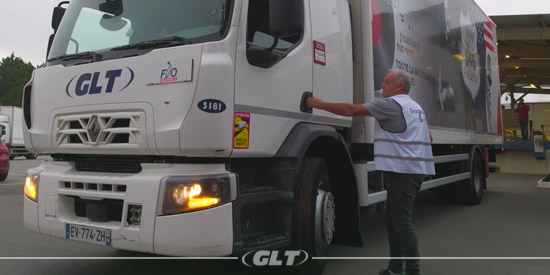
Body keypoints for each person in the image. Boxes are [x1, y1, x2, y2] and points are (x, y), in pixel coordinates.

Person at [307, 71, 435, 275]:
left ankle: (413, 271)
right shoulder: (415, 107)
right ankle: (395, 268)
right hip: (410, 171)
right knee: (392, 219)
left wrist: (321, 104)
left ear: (399, 87)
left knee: (401, 222)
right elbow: (428, 137)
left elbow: (350, 110)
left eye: (387, 82)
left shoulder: (390, 105)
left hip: (403, 172)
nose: (382, 86)